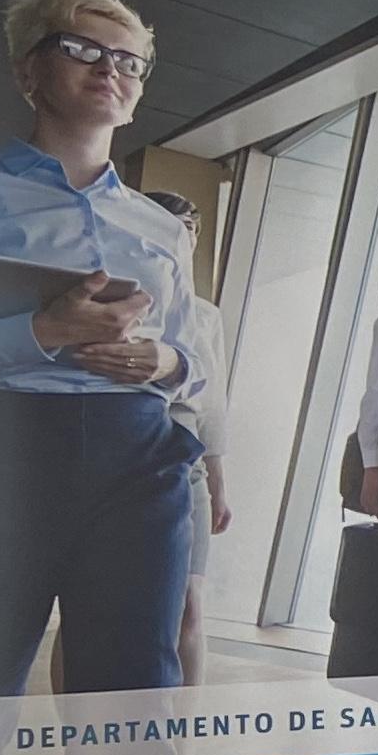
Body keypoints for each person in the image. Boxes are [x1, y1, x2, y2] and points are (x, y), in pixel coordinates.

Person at [0, 0, 207, 696]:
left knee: (134, 695)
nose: (109, 69)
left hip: (141, 454)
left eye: (128, 60)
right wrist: (43, 329)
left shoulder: (162, 228)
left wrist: (162, 358)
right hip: (2, 447)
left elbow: (196, 361)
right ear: (28, 71)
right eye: (81, 49)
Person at [141, 189, 234, 686]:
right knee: (93, 604)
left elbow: (214, 402)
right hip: (128, 452)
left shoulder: (206, 315)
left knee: (192, 606)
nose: (185, 240)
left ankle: (186, 738)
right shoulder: (127, 298)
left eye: (191, 232)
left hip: (189, 457)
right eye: (175, 228)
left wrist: (219, 484)